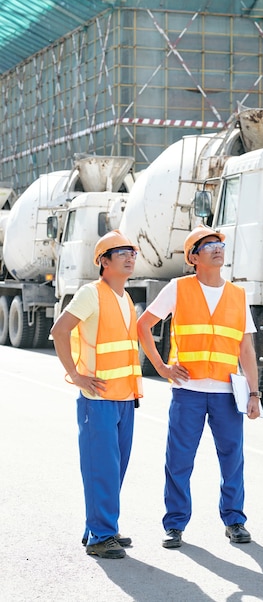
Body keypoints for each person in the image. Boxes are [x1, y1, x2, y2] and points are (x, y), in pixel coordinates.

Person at [137, 224, 261, 549]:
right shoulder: (178, 289)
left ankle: (235, 521)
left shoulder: (237, 295)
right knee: (178, 460)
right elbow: (143, 326)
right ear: (194, 257)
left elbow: (246, 349)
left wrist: (255, 393)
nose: (218, 248)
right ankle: (174, 525)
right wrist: (162, 367)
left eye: (219, 243)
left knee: (232, 459)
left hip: (226, 392)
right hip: (188, 392)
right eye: (208, 245)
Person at [51, 229, 143, 559]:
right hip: (98, 401)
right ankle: (100, 537)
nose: (130, 257)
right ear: (104, 262)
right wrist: (76, 375)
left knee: (115, 469)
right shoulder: (92, 293)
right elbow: (59, 331)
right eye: (121, 253)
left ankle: (102, 527)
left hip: (124, 399)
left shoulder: (126, 298)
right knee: (101, 468)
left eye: (132, 252)